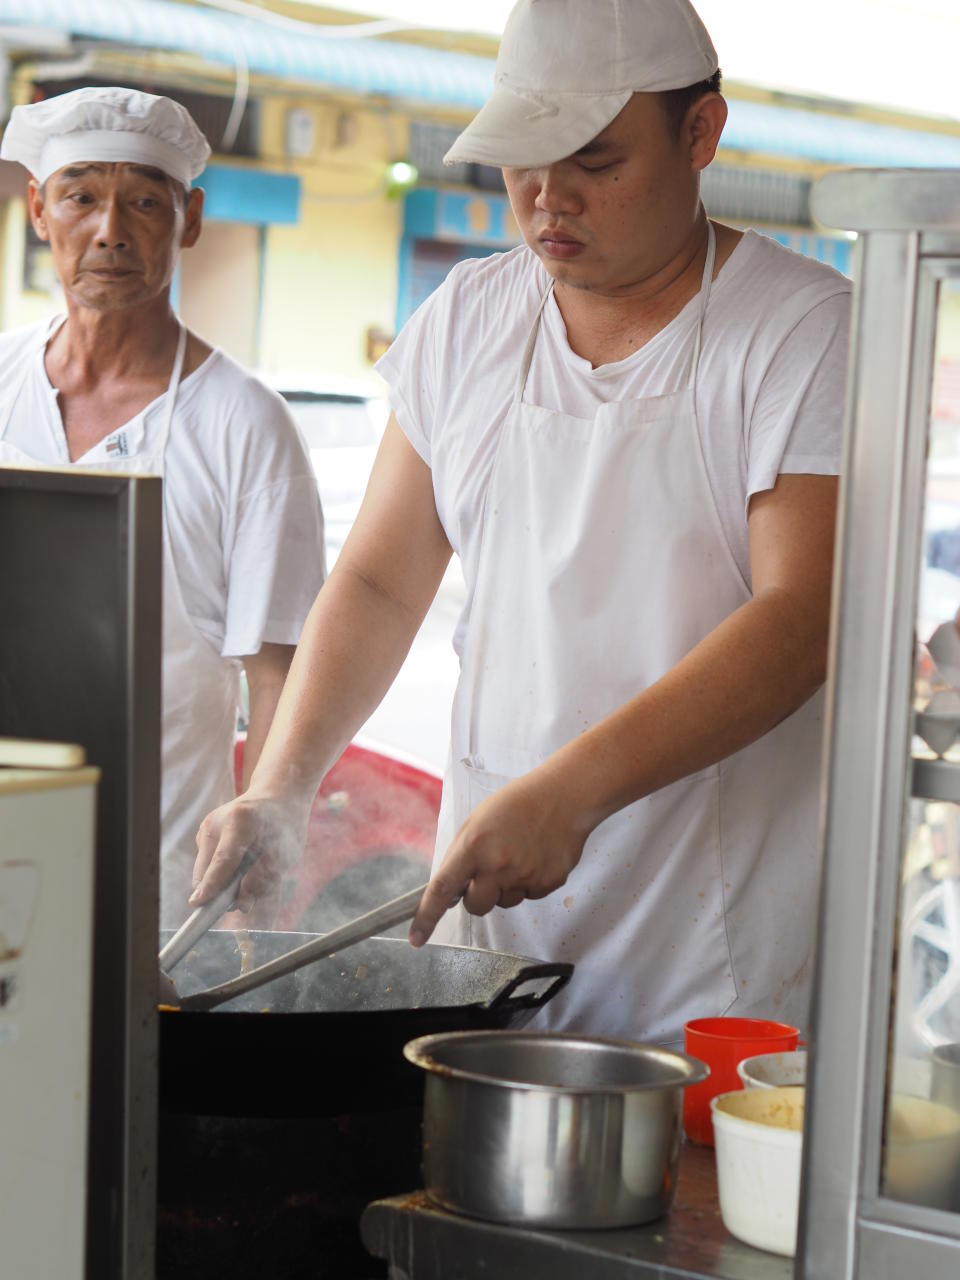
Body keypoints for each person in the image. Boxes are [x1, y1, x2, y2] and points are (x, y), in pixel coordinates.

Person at [191, 0, 850, 1042]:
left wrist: (571, 793)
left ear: (701, 134)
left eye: (593, 157)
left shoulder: (800, 330)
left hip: (716, 966)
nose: (549, 196)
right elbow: (377, 580)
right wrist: (281, 783)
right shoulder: (469, 317)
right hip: (496, 934)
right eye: (521, 159)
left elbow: (802, 616)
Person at [0, 87, 326, 928]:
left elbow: (278, 672)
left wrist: (269, 827)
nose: (110, 230)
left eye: (145, 201)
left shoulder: (245, 424)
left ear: (190, 220)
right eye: (80, 196)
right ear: (39, 209)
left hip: (163, 886)